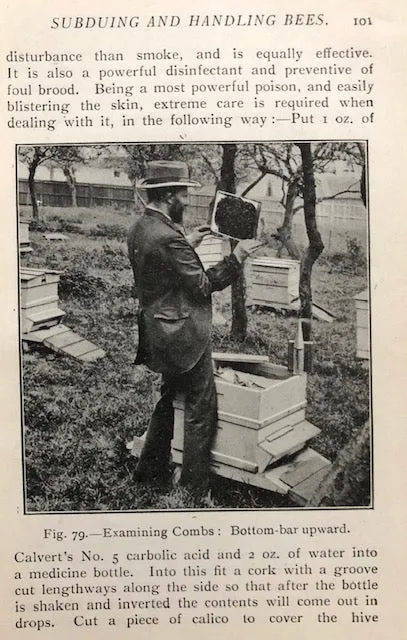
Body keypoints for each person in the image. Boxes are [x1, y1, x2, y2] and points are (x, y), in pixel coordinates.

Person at [127, 160, 262, 497]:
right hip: (183, 336)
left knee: (169, 398)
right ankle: (193, 489)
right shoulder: (168, 238)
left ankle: (149, 471)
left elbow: (163, 264)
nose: (187, 201)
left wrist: (188, 242)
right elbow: (202, 286)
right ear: (168, 195)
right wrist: (238, 258)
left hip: (159, 330)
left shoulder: (142, 226)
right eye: (183, 195)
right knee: (201, 409)